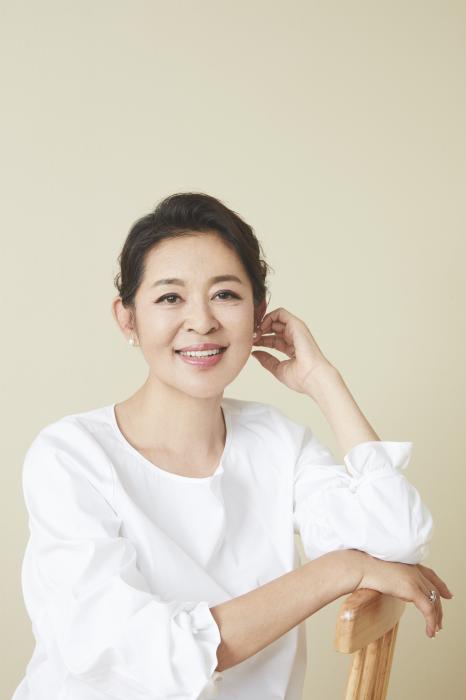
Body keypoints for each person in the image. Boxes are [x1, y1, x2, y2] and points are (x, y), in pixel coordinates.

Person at [12, 192, 452, 700]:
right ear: (127, 319)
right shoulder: (71, 457)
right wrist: (338, 570)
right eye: (170, 298)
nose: (202, 321)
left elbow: (397, 539)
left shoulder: (277, 443)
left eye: (225, 294)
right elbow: (141, 655)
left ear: (259, 312)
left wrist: (322, 381)